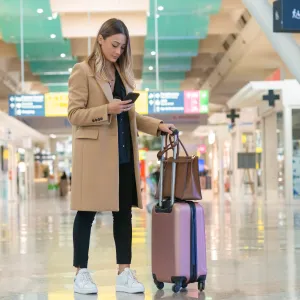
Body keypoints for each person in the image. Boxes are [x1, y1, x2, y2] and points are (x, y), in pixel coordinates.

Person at [68, 18, 175, 295]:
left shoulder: (123, 74)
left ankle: (124, 272)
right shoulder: (83, 71)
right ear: (100, 39)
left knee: (123, 215)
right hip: (94, 156)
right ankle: (81, 273)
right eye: (114, 44)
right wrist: (107, 109)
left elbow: (130, 115)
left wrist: (157, 126)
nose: (118, 51)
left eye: (122, 46)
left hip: (123, 156)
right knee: (86, 213)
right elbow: (74, 115)